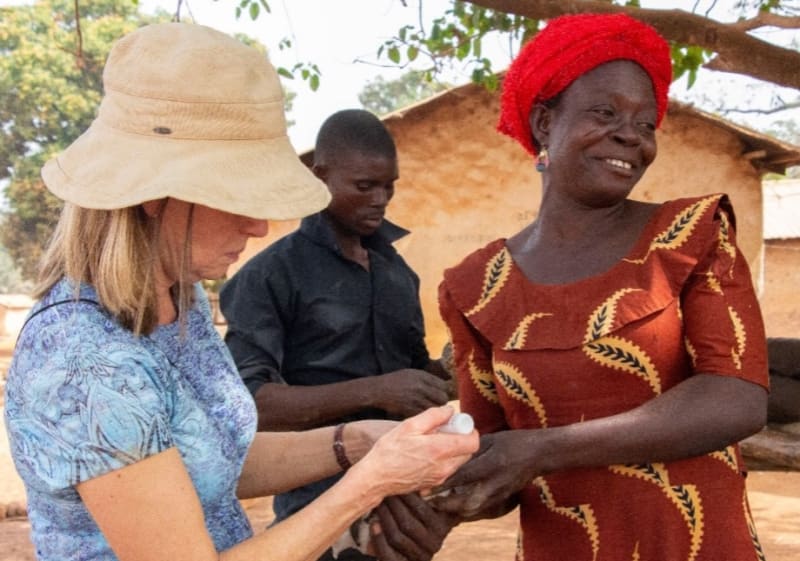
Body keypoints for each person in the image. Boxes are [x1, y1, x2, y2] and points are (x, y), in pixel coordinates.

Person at [2, 23, 478, 561]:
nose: (258, 227)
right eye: (236, 198)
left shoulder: (179, 304)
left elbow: (216, 458)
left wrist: (359, 442)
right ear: (155, 195)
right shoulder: (87, 363)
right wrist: (369, 482)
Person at [430, 13, 770, 561]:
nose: (629, 137)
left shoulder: (691, 235)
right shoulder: (476, 287)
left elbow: (737, 398)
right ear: (544, 122)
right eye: (605, 112)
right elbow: (497, 456)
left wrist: (544, 449)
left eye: (646, 123)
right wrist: (435, 498)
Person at [219, 108, 456, 561]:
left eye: (389, 186)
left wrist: (449, 374)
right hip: (316, 505)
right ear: (319, 175)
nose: (381, 199)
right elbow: (251, 404)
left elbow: (410, 374)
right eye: (364, 186)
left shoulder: (396, 272)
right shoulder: (270, 276)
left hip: (400, 507)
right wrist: (378, 391)